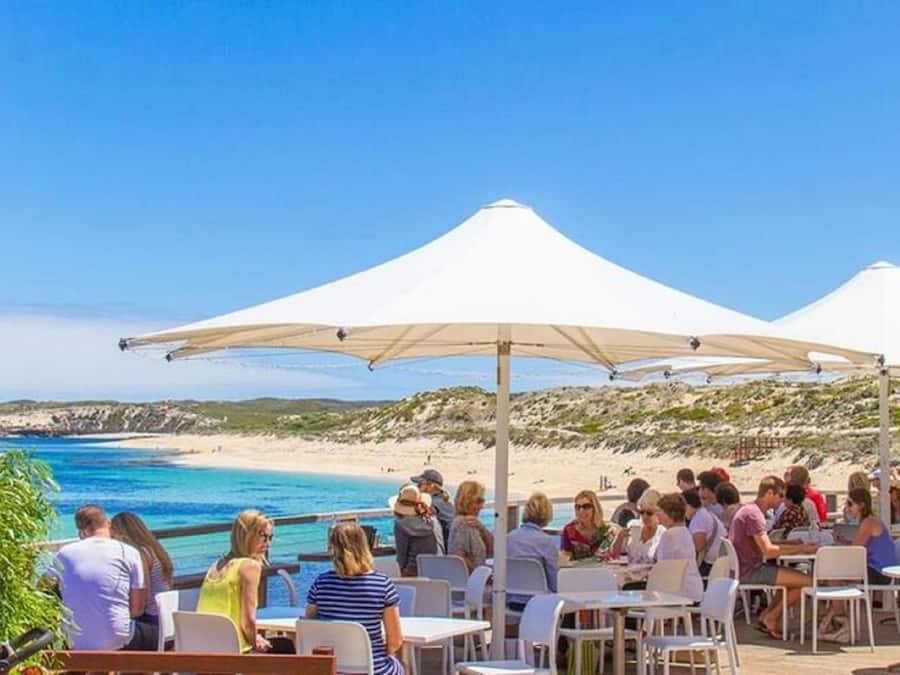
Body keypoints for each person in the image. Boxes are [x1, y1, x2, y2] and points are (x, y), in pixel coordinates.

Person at [306, 522, 403, 675]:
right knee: (400, 665)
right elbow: (395, 641)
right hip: (372, 669)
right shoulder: (382, 584)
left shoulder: (321, 583)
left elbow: (310, 625)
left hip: (331, 669)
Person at [728, 476, 817, 640]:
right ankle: (771, 617)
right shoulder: (754, 515)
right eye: (780, 496)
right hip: (750, 570)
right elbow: (768, 551)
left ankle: (767, 616)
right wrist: (801, 548)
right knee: (807, 581)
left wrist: (788, 542)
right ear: (769, 493)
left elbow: (762, 542)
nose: (781, 501)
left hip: (743, 567)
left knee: (792, 580)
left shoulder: (748, 510)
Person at [50, 504, 149, 650]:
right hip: (118, 637)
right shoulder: (129, 552)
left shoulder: (64, 553)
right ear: (108, 523)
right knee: (150, 634)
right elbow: (138, 609)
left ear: (81, 532)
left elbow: (42, 587)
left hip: (73, 638)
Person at [821, 488, 900, 642]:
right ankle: (837, 619)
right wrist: (844, 542)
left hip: (880, 574)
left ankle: (842, 622)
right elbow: (859, 547)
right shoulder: (869, 521)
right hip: (877, 570)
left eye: (850, 504)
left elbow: (855, 551)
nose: (848, 507)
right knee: (835, 578)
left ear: (862, 505)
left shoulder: (868, 523)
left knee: (833, 577)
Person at [197, 509, 274, 652]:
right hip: (233, 650)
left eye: (270, 537)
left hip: (204, 648)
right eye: (263, 536)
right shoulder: (250, 566)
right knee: (286, 647)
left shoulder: (216, 565)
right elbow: (248, 622)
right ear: (247, 535)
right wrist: (256, 641)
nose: (268, 543)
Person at [110, 511, 174, 647]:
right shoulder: (155, 550)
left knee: (113, 629)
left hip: (153, 622)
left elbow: (140, 604)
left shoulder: (141, 555)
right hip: (168, 621)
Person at [507, 492, 559, 604]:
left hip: (512, 600)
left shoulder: (509, 538)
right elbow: (554, 583)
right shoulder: (547, 542)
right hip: (540, 603)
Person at [654, 493, 703, 602]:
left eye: (660, 511)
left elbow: (662, 568)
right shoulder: (685, 532)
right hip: (693, 590)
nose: (657, 514)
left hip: (678, 593)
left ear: (670, 514)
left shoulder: (669, 535)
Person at [390, 483, 439, 576]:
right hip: (432, 572)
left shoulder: (401, 525)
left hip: (411, 574)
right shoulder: (432, 522)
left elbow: (401, 559)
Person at [448, 480, 493, 571]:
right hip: (470, 581)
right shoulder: (463, 524)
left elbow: (493, 550)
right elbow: (459, 557)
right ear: (467, 501)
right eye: (478, 501)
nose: (482, 506)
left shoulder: (472, 524)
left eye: (482, 501)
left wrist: (483, 529)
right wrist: (479, 574)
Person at [611, 488, 665, 564]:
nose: (645, 516)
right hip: (630, 573)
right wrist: (620, 538)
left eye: (649, 513)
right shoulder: (633, 525)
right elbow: (614, 554)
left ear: (658, 513)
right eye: (642, 512)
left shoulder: (663, 533)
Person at [561, 490, 617, 561]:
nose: (581, 511)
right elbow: (565, 557)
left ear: (595, 508)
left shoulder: (607, 531)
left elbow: (613, 556)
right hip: (577, 571)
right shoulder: (569, 530)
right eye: (578, 507)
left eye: (586, 506)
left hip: (601, 570)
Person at [683, 488, 725, 577]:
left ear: (687, 506)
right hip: (719, 561)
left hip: (712, 565)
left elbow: (698, 547)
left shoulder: (699, 519)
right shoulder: (702, 513)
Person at [411, 468, 454, 548]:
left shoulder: (431, 505)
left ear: (431, 486)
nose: (417, 487)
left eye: (420, 484)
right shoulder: (447, 502)